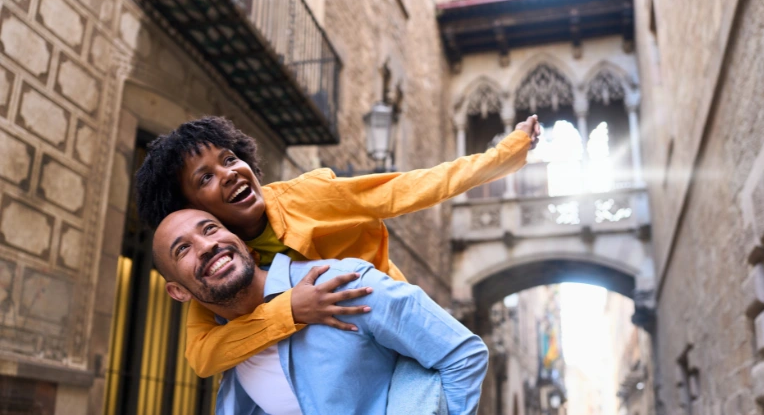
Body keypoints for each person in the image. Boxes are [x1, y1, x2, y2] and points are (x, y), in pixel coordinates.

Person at [153, 209, 491, 415]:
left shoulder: (341, 284)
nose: (207, 245)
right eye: (183, 249)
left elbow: (462, 353)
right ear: (178, 292)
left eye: (210, 229)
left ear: (245, 245)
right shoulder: (223, 345)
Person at [135, 115, 540, 378]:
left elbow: (409, 187)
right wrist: (290, 310)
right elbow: (203, 355)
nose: (228, 174)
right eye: (204, 178)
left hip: (389, 336)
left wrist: (508, 151)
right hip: (322, 371)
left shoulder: (309, 195)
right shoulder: (219, 262)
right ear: (188, 210)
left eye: (228, 159)